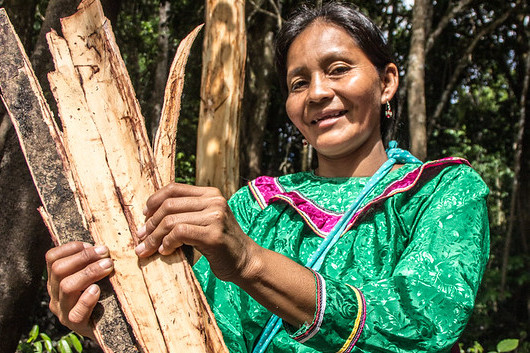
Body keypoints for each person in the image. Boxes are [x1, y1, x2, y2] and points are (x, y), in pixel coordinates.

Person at [45, 2, 490, 352]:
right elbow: (193, 335)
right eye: (298, 83)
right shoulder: (254, 206)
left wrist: (250, 262)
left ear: (387, 81)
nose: (317, 93)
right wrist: (106, 324)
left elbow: (420, 324)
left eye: (338, 69)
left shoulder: (441, 190)